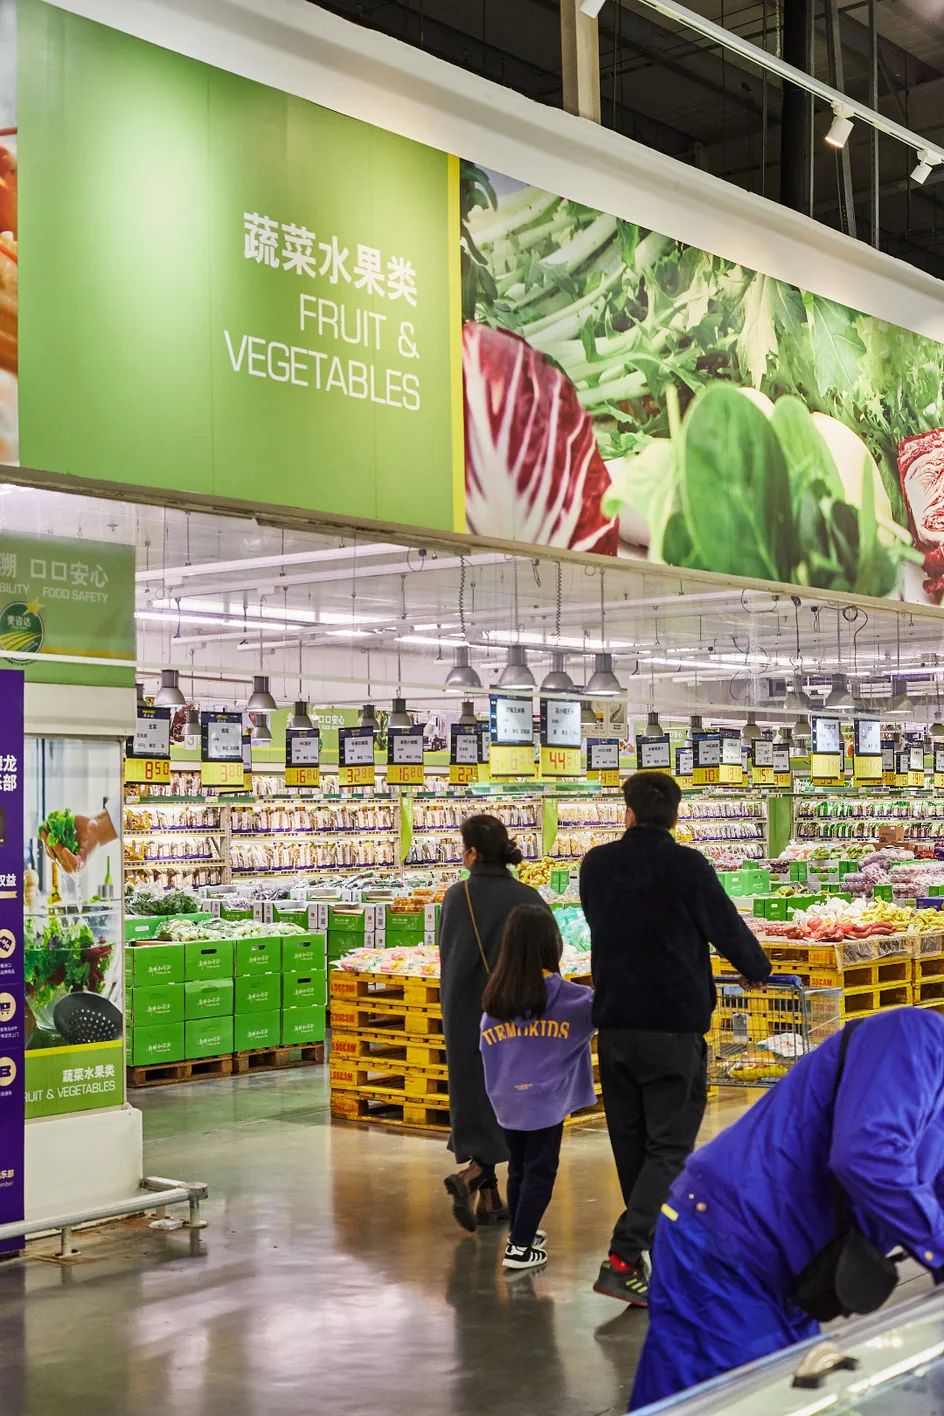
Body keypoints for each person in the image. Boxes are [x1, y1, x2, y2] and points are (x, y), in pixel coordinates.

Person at [630, 1007, 944, 1409]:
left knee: (782, 1394)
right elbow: (869, 1155)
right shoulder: (913, 1036)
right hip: (724, 1246)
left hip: (786, 1270)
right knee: (733, 1401)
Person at [580, 771, 772, 1305]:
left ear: (629, 813)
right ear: (676, 815)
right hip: (673, 1025)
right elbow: (725, 925)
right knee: (669, 1146)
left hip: (616, 1025)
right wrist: (756, 967)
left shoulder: (596, 865)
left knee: (632, 1144)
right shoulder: (687, 866)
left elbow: (601, 922)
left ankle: (657, 1251)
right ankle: (624, 1254)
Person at [440, 815, 551, 1231]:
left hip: (466, 1012)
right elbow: (548, 953)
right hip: (516, 1016)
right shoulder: (527, 897)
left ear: (471, 852)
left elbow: (448, 956)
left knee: (476, 1095)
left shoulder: (456, 897)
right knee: (513, 1100)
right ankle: (472, 1175)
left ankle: (489, 1199)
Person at [480, 905, 595, 1272]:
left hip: (507, 1100)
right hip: (545, 1101)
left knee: (518, 1168)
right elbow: (601, 1012)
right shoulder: (567, 997)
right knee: (540, 1172)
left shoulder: (496, 998)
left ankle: (521, 1231)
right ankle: (519, 1247)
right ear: (554, 946)